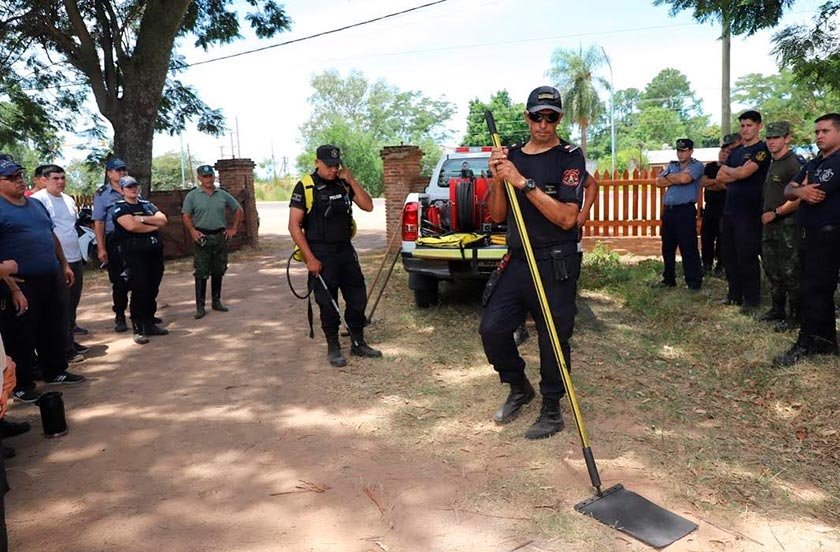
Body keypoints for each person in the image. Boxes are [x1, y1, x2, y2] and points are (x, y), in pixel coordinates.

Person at [480, 85, 585, 441]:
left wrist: (523, 183)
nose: (543, 124)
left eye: (551, 117)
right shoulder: (508, 156)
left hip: (556, 260)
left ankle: (552, 408)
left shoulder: (570, 157)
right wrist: (498, 179)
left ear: (559, 118)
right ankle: (518, 386)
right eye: (537, 116)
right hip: (518, 258)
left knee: (553, 338)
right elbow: (496, 215)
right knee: (492, 329)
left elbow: (568, 218)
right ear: (527, 117)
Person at [288, 145, 382, 367]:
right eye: (328, 165)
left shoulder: (342, 183)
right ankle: (333, 347)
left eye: (336, 165)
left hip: (345, 250)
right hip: (320, 252)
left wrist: (352, 180)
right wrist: (310, 258)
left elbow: (368, 206)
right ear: (316, 162)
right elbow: (293, 226)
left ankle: (358, 342)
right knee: (327, 303)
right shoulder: (306, 186)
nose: (332, 170)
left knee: (357, 297)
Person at [0, 158, 85, 403]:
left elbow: (50, 234)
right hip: (21, 282)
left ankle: (55, 371)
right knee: (22, 334)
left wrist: (64, 264)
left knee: (53, 326)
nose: (19, 179)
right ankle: (23, 384)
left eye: (19, 175)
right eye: (11, 177)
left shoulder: (34, 205)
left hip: (50, 276)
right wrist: (12, 286)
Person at [775, 113, 840, 366]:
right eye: (817, 132)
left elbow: (818, 193)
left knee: (815, 289)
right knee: (815, 288)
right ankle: (824, 341)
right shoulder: (814, 163)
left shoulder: (837, 162)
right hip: (810, 234)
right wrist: (799, 189)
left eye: (825, 131)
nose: (819, 136)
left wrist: (801, 189)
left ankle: (807, 342)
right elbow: (789, 189)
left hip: (829, 234)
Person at [32, 165, 89, 362]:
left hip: (74, 256)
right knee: (60, 305)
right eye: (55, 178)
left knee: (72, 303)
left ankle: (70, 340)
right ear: (44, 180)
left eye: (63, 177)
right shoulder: (38, 200)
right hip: (56, 260)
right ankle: (63, 349)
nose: (60, 181)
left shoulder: (68, 200)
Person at [716, 110, 771, 313]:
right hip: (730, 210)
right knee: (729, 254)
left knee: (746, 255)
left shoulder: (761, 150)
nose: (745, 129)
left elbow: (747, 172)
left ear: (758, 126)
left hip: (749, 212)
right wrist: (735, 173)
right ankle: (734, 295)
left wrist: (737, 173)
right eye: (742, 126)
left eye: (749, 125)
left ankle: (751, 300)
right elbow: (721, 176)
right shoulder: (737, 152)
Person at [181, 164, 243, 319]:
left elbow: (238, 209)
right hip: (202, 236)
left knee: (218, 269)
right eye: (205, 176)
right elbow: (186, 215)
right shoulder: (193, 196)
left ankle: (216, 301)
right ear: (199, 178)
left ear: (214, 177)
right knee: (201, 272)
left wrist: (233, 228)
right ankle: (200, 306)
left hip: (220, 236)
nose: (208, 179)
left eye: (210, 176)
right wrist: (192, 231)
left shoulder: (222, 194)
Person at [112, 176, 169, 345]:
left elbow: (163, 220)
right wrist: (153, 225)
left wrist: (143, 219)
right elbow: (131, 226)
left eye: (135, 186)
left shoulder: (147, 205)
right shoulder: (119, 208)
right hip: (134, 256)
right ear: (122, 190)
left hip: (154, 254)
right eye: (128, 187)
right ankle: (138, 328)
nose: (133, 189)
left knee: (152, 289)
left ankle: (150, 323)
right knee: (140, 289)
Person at [758, 122, 802, 331]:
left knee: (790, 272)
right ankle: (777, 310)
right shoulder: (772, 162)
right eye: (769, 138)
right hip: (770, 225)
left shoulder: (793, 163)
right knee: (772, 268)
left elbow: (799, 197)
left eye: (776, 137)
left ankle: (795, 317)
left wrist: (776, 212)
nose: (772, 141)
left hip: (787, 225)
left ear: (787, 138)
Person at [652, 139, 704, 291]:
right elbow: (658, 182)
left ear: (691, 151)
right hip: (669, 210)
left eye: (684, 151)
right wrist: (674, 178)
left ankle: (694, 283)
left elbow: (684, 179)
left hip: (685, 211)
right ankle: (668, 279)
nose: (680, 154)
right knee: (667, 246)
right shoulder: (673, 165)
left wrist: (670, 178)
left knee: (688, 247)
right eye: (679, 151)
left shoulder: (696, 165)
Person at [92, 158, 130, 332]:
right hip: (115, 240)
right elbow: (99, 222)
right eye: (117, 170)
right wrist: (101, 247)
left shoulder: (132, 187)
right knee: (119, 280)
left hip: (134, 238)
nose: (121, 172)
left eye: (123, 169)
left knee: (141, 277)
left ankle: (144, 313)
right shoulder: (102, 194)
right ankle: (120, 315)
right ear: (109, 173)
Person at [700, 133, 739, 277]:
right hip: (710, 206)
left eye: (728, 152)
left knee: (723, 237)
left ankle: (721, 265)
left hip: (725, 207)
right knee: (706, 236)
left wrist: (715, 183)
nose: (724, 154)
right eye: (723, 151)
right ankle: (706, 264)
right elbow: (703, 183)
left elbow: (726, 186)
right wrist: (718, 182)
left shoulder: (732, 168)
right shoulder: (710, 166)